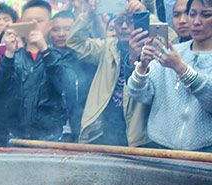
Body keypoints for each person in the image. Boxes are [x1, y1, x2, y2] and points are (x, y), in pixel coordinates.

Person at [127, 0, 212, 151]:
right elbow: (140, 95)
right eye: (192, 14)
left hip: (204, 150)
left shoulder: (173, 58)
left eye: (206, 15)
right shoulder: (172, 51)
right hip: (160, 147)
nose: (196, 21)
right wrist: (143, 66)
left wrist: (180, 68)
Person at [0, 0, 68, 145]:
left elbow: (64, 86)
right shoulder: (12, 56)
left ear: (50, 24)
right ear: (20, 24)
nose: (33, 26)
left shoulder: (59, 56)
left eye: (39, 21)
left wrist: (44, 49)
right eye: (28, 22)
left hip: (48, 140)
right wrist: (9, 53)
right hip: (14, 140)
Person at [67, 0, 151, 146]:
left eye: (130, 21)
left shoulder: (152, 48)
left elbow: (172, 38)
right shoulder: (107, 47)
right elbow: (75, 43)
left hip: (138, 135)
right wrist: (89, 14)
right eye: (119, 22)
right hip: (105, 130)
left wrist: (144, 13)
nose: (124, 26)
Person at [49, 10, 96, 140]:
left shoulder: (87, 57)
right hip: (51, 132)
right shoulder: (43, 57)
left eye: (67, 29)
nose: (61, 34)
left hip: (83, 127)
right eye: (56, 29)